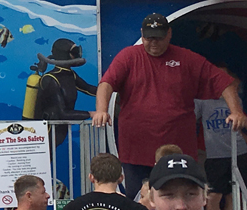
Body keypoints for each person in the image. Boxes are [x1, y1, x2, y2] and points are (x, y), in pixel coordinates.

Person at [93, 13, 247, 200]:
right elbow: (106, 83)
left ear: (169, 34)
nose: (154, 43)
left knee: (179, 201)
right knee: (138, 201)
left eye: (159, 37)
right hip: (136, 150)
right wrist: (101, 110)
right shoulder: (128, 56)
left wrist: (237, 112)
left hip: (178, 151)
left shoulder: (187, 58)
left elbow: (224, 82)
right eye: (149, 38)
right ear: (142, 34)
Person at [195, 66, 247, 210]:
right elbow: (189, 117)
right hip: (215, 154)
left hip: (238, 151)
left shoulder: (235, 98)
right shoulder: (203, 101)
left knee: (233, 194)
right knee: (213, 195)